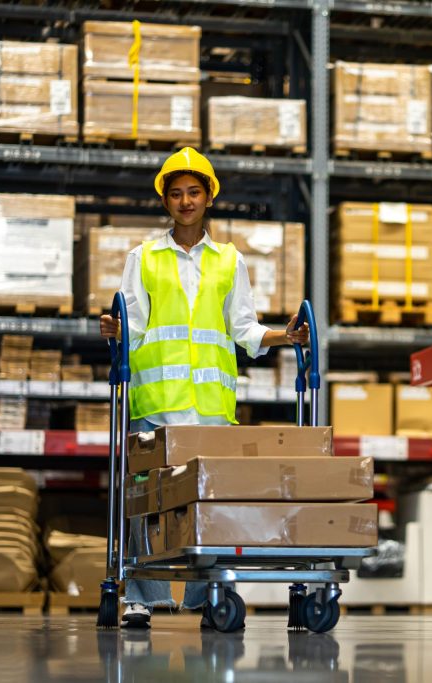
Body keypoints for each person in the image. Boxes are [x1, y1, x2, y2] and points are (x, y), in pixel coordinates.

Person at [99, 147, 309, 629]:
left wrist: (286, 336)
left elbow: (244, 329)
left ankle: (209, 593)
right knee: (142, 504)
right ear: (166, 202)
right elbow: (131, 323)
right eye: (176, 193)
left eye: (194, 192)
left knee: (208, 505)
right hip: (155, 402)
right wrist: (114, 330)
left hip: (210, 409)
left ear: (208, 197)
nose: (185, 200)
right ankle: (141, 597)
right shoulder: (144, 257)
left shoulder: (229, 261)